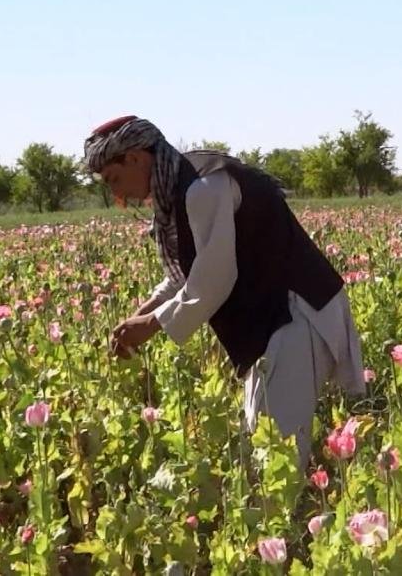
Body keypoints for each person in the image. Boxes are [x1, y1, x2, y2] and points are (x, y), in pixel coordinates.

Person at [84, 115, 365, 466]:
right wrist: (141, 314)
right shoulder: (176, 192)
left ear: (136, 158)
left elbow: (213, 280)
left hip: (296, 312)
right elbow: (184, 276)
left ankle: (308, 515)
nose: (117, 195)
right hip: (273, 322)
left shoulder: (204, 187)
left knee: (277, 458)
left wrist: (152, 324)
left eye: (114, 179)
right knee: (265, 449)